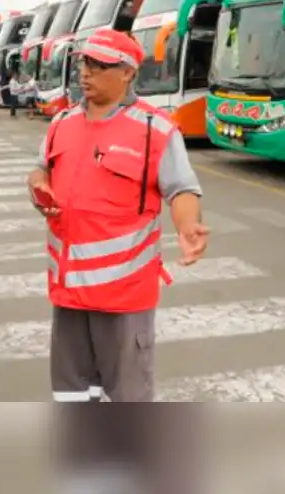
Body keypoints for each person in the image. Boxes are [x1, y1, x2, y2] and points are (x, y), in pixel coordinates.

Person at [26, 28, 209, 403]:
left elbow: (182, 189)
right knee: (72, 395)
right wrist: (38, 185)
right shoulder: (61, 123)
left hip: (123, 296)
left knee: (126, 400)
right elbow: (40, 168)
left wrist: (187, 225)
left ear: (127, 72)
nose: (86, 73)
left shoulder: (154, 129)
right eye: (83, 64)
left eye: (99, 65)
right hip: (68, 294)